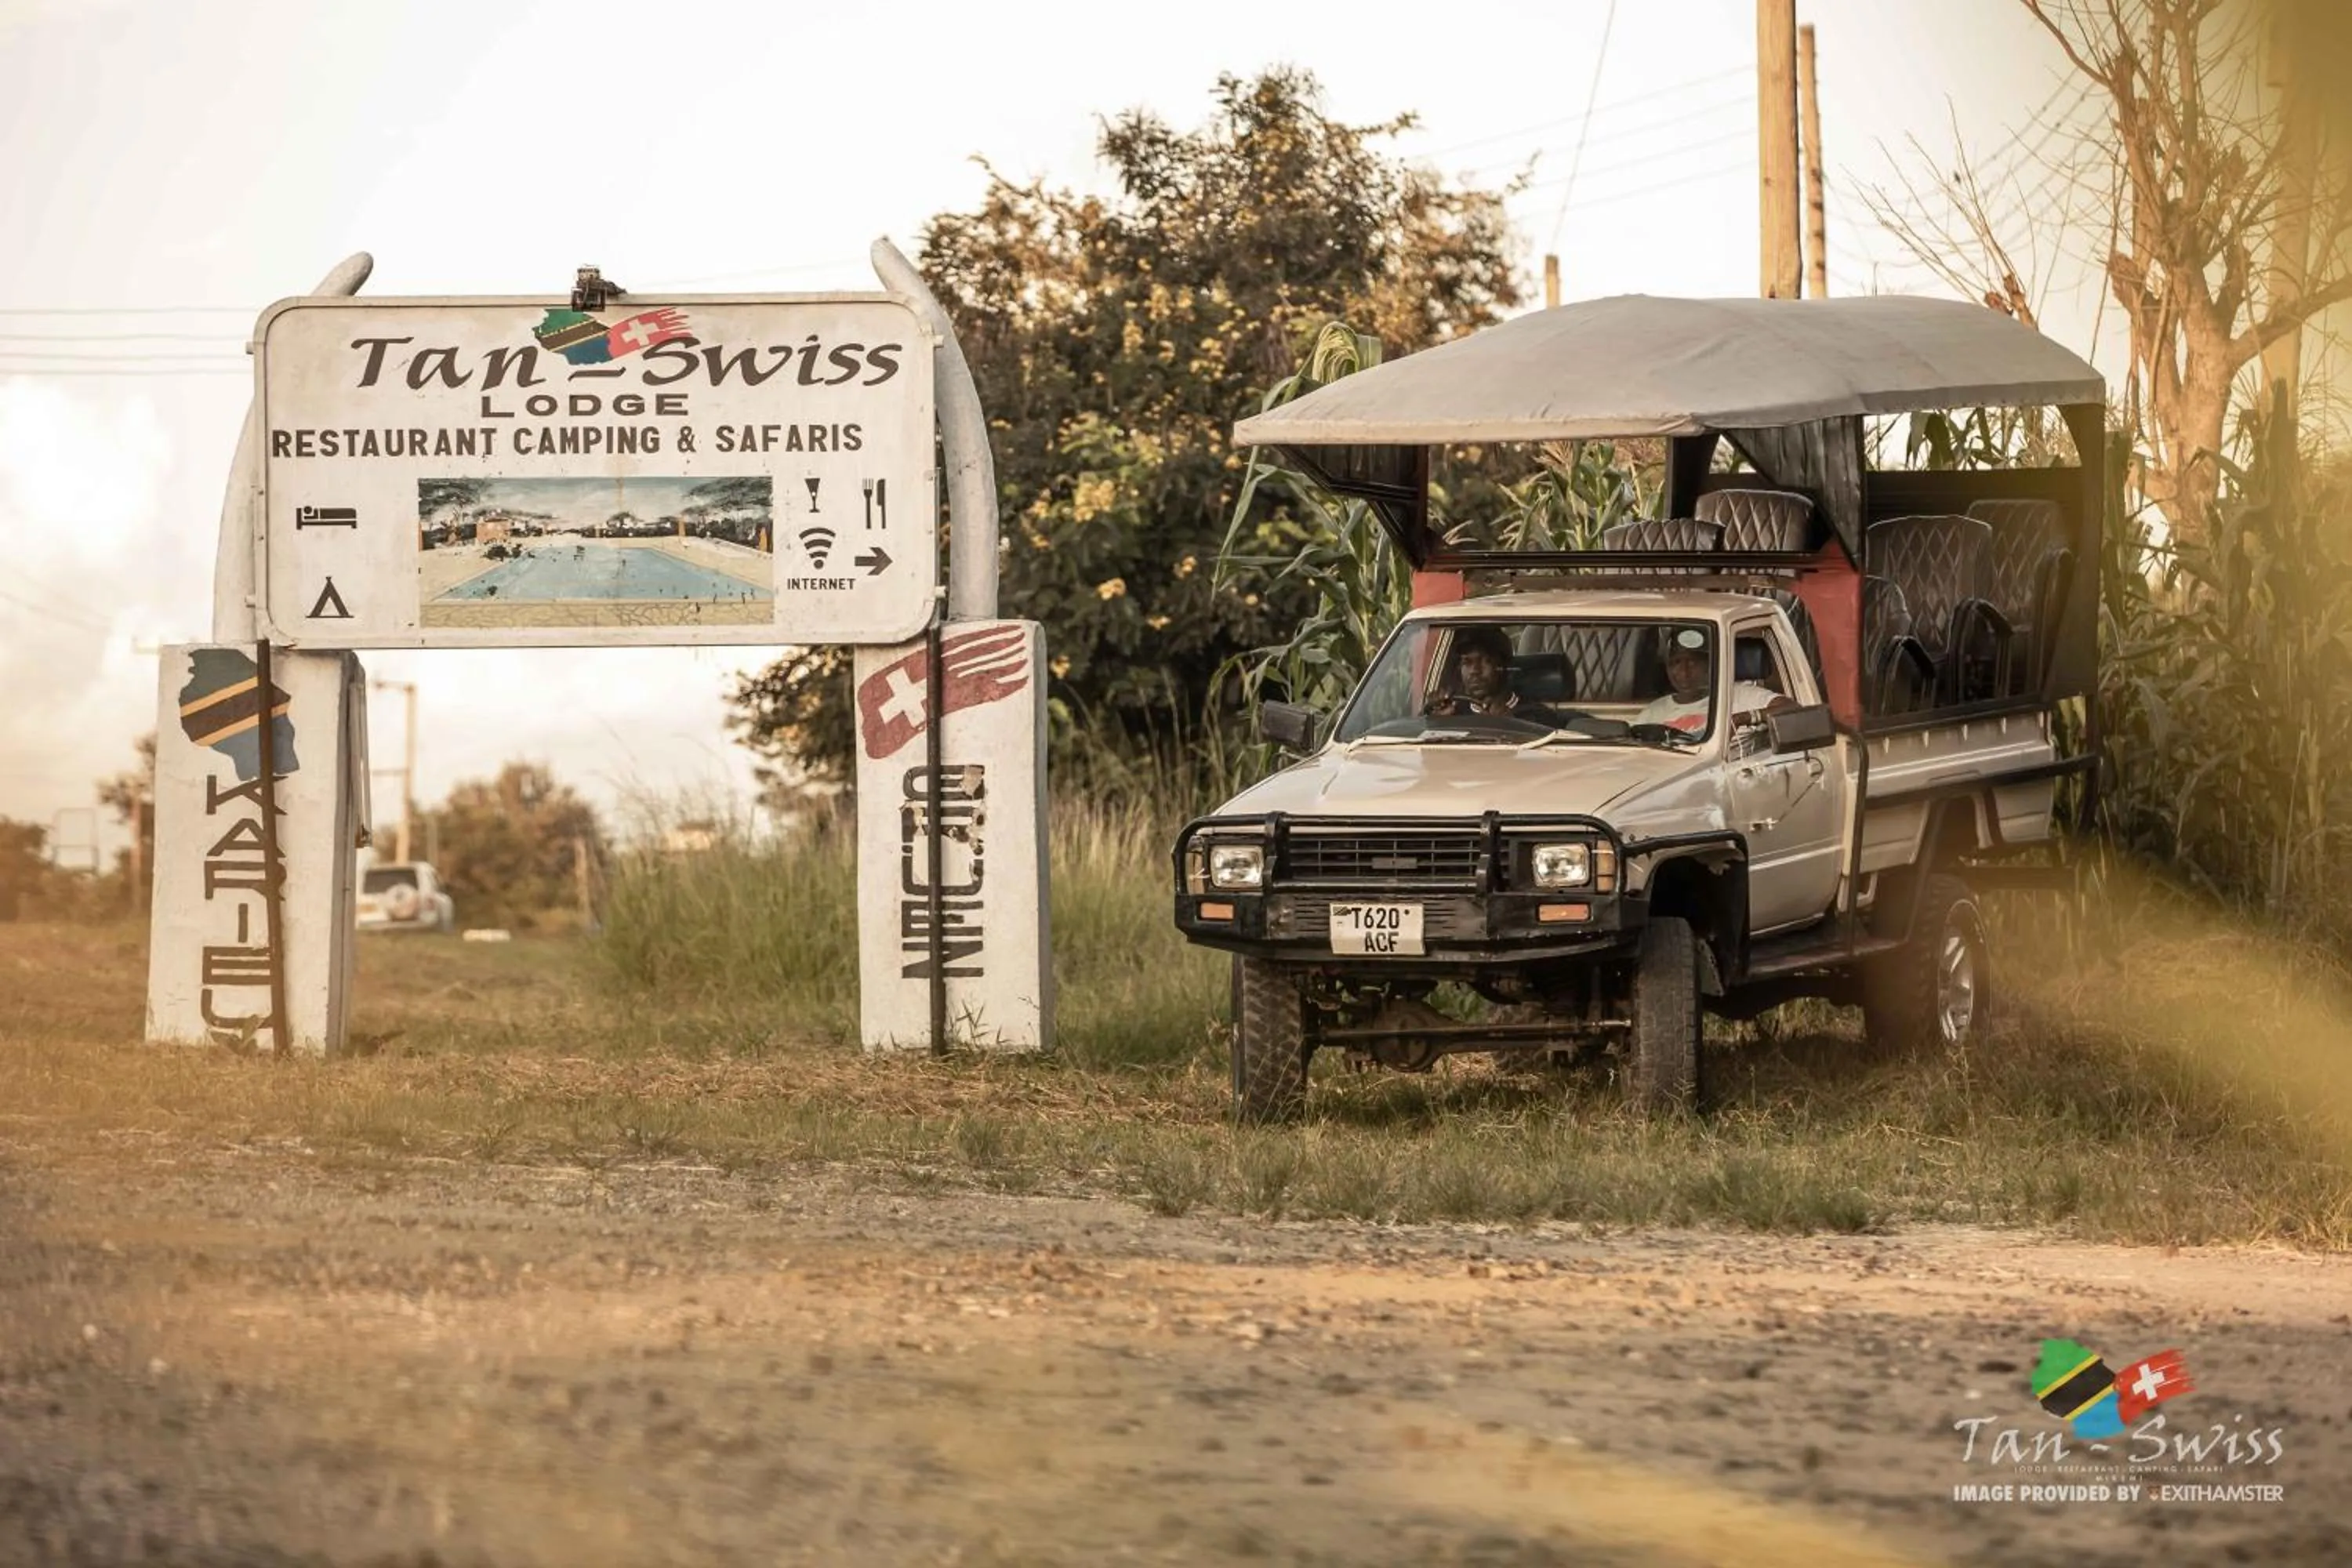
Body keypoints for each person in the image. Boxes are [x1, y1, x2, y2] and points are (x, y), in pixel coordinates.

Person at [1633, 627, 1787, 737]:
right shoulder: (1654, 711)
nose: (1684, 672)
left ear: (1710, 664)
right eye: (1676, 663)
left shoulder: (1740, 695)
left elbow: (1790, 709)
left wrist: (1742, 718)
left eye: (1693, 662)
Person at [1428, 626, 1559, 724]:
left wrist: (1509, 726)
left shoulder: (1536, 717)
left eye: (1485, 661)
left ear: (1503, 667)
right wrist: (1437, 724)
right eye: (1467, 662)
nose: (1475, 670)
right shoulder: (1453, 713)